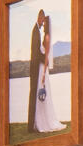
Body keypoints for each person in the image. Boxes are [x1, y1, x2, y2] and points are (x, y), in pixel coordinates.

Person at [25, 7, 62, 135]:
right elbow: (36, 53)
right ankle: (34, 124)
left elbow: (44, 56)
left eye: (44, 23)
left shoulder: (43, 35)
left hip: (40, 69)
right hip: (37, 68)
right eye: (43, 21)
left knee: (36, 96)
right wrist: (44, 62)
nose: (43, 24)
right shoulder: (36, 31)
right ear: (40, 18)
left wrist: (44, 63)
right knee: (34, 96)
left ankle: (36, 123)